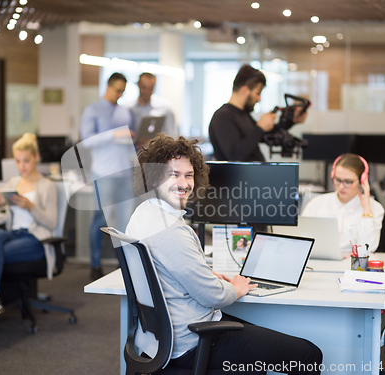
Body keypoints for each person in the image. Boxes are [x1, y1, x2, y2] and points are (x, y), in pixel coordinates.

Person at [126, 134, 323, 374]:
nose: (184, 183)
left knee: (260, 348)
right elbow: (213, 297)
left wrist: (204, 273)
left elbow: (168, 270)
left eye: (189, 175)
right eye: (173, 175)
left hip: (158, 339)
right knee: (308, 355)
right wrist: (236, 287)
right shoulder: (172, 231)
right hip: (191, 341)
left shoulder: (142, 214)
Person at [0, 133, 57, 317]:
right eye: (18, 161)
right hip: (14, 235)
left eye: (26, 161)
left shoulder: (47, 186)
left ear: (36, 157)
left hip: (34, 239)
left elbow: (51, 223)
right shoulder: (14, 183)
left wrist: (31, 207)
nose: (22, 166)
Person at [80, 72, 136, 280]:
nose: (120, 95)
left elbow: (128, 143)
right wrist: (115, 134)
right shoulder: (92, 110)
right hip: (103, 173)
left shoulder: (125, 112)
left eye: (123, 91)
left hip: (124, 172)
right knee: (100, 219)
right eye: (117, 90)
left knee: (124, 221)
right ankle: (95, 264)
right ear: (109, 86)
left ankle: (123, 266)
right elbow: (86, 141)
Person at [209, 64, 307, 162]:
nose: (259, 99)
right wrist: (259, 127)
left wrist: (291, 121)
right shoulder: (222, 117)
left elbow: (265, 136)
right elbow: (235, 156)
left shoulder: (243, 115)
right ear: (245, 90)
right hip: (240, 177)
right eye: (258, 93)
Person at [301, 153, 385, 253]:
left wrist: (366, 210)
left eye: (348, 182)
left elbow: (369, 248)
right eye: (338, 180)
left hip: (353, 265)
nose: (341, 186)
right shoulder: (316, 203)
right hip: (318, 263)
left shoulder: (374, 208)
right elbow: (301, 241)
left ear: (361, 181)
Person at [127, 72, 178, 140]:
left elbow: (173, 135)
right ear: (138, 85)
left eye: (150, 88)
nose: (146, 92)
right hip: (136, 149)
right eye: (144, 87)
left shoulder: (165, 108)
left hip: (158, 149)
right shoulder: (128, 109)